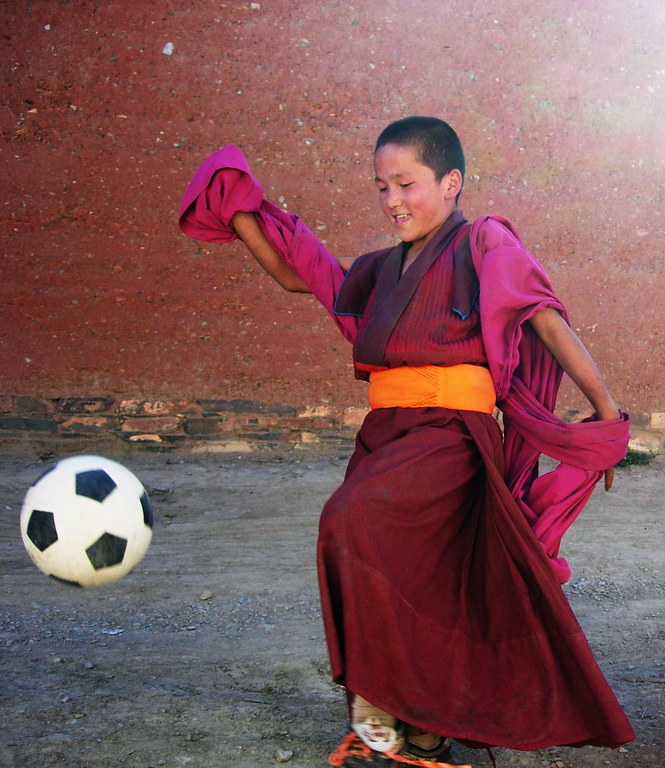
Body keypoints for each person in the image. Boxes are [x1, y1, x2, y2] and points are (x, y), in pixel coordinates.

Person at [178, 116, 634, 767]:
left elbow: (544, 314)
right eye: (381, 187)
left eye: (405, 183)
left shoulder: (483, 241)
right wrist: (238, 209)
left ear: (451, 183)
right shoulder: (384, 268)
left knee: (348, 521)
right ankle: (424, 725)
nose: (392, 200)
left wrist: (605, 414)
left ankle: (375, 693)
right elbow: (298, 276)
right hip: (386, 433)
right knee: (424, 580)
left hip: (450, 432)